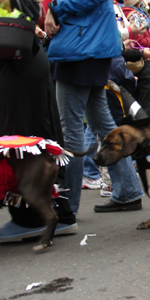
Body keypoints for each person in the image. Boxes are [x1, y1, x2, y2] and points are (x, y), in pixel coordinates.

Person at [44, 0, 144, 214]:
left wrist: (56, 8)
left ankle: (67, 208)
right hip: (91, 44)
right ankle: (128, 190)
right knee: (101, 123)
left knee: (71, 131)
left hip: (80, 46)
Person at [0, 0, 77, 242]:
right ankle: (55, 214)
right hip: (22, 58)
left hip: (16, 62)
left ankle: (32, 217)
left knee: (22, 140)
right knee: (38, 135)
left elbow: (30, 10)